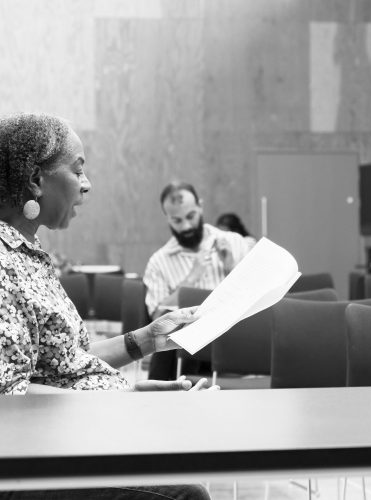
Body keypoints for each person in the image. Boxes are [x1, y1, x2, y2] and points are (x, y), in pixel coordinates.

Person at [0, 113, 217, 500]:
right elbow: (9, 397)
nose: (87, 184)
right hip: (31, 462)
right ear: (36, 180)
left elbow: (69, 361)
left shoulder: (26, 253)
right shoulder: (2, 263)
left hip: (71, 438)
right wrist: (123, 402)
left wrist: (148, 339)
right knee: (186, 494)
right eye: (78, 170)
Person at [143, 183, 250, 379]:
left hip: (237, 343)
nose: (186, 226)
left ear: (200, 206)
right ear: (166, 218)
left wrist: (230, 270)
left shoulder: (235, 242)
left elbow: (256, 301)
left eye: (191, 216)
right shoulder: (158, 262)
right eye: (177, 220)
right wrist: (191, 278)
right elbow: (156, 321)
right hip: (187, 355)